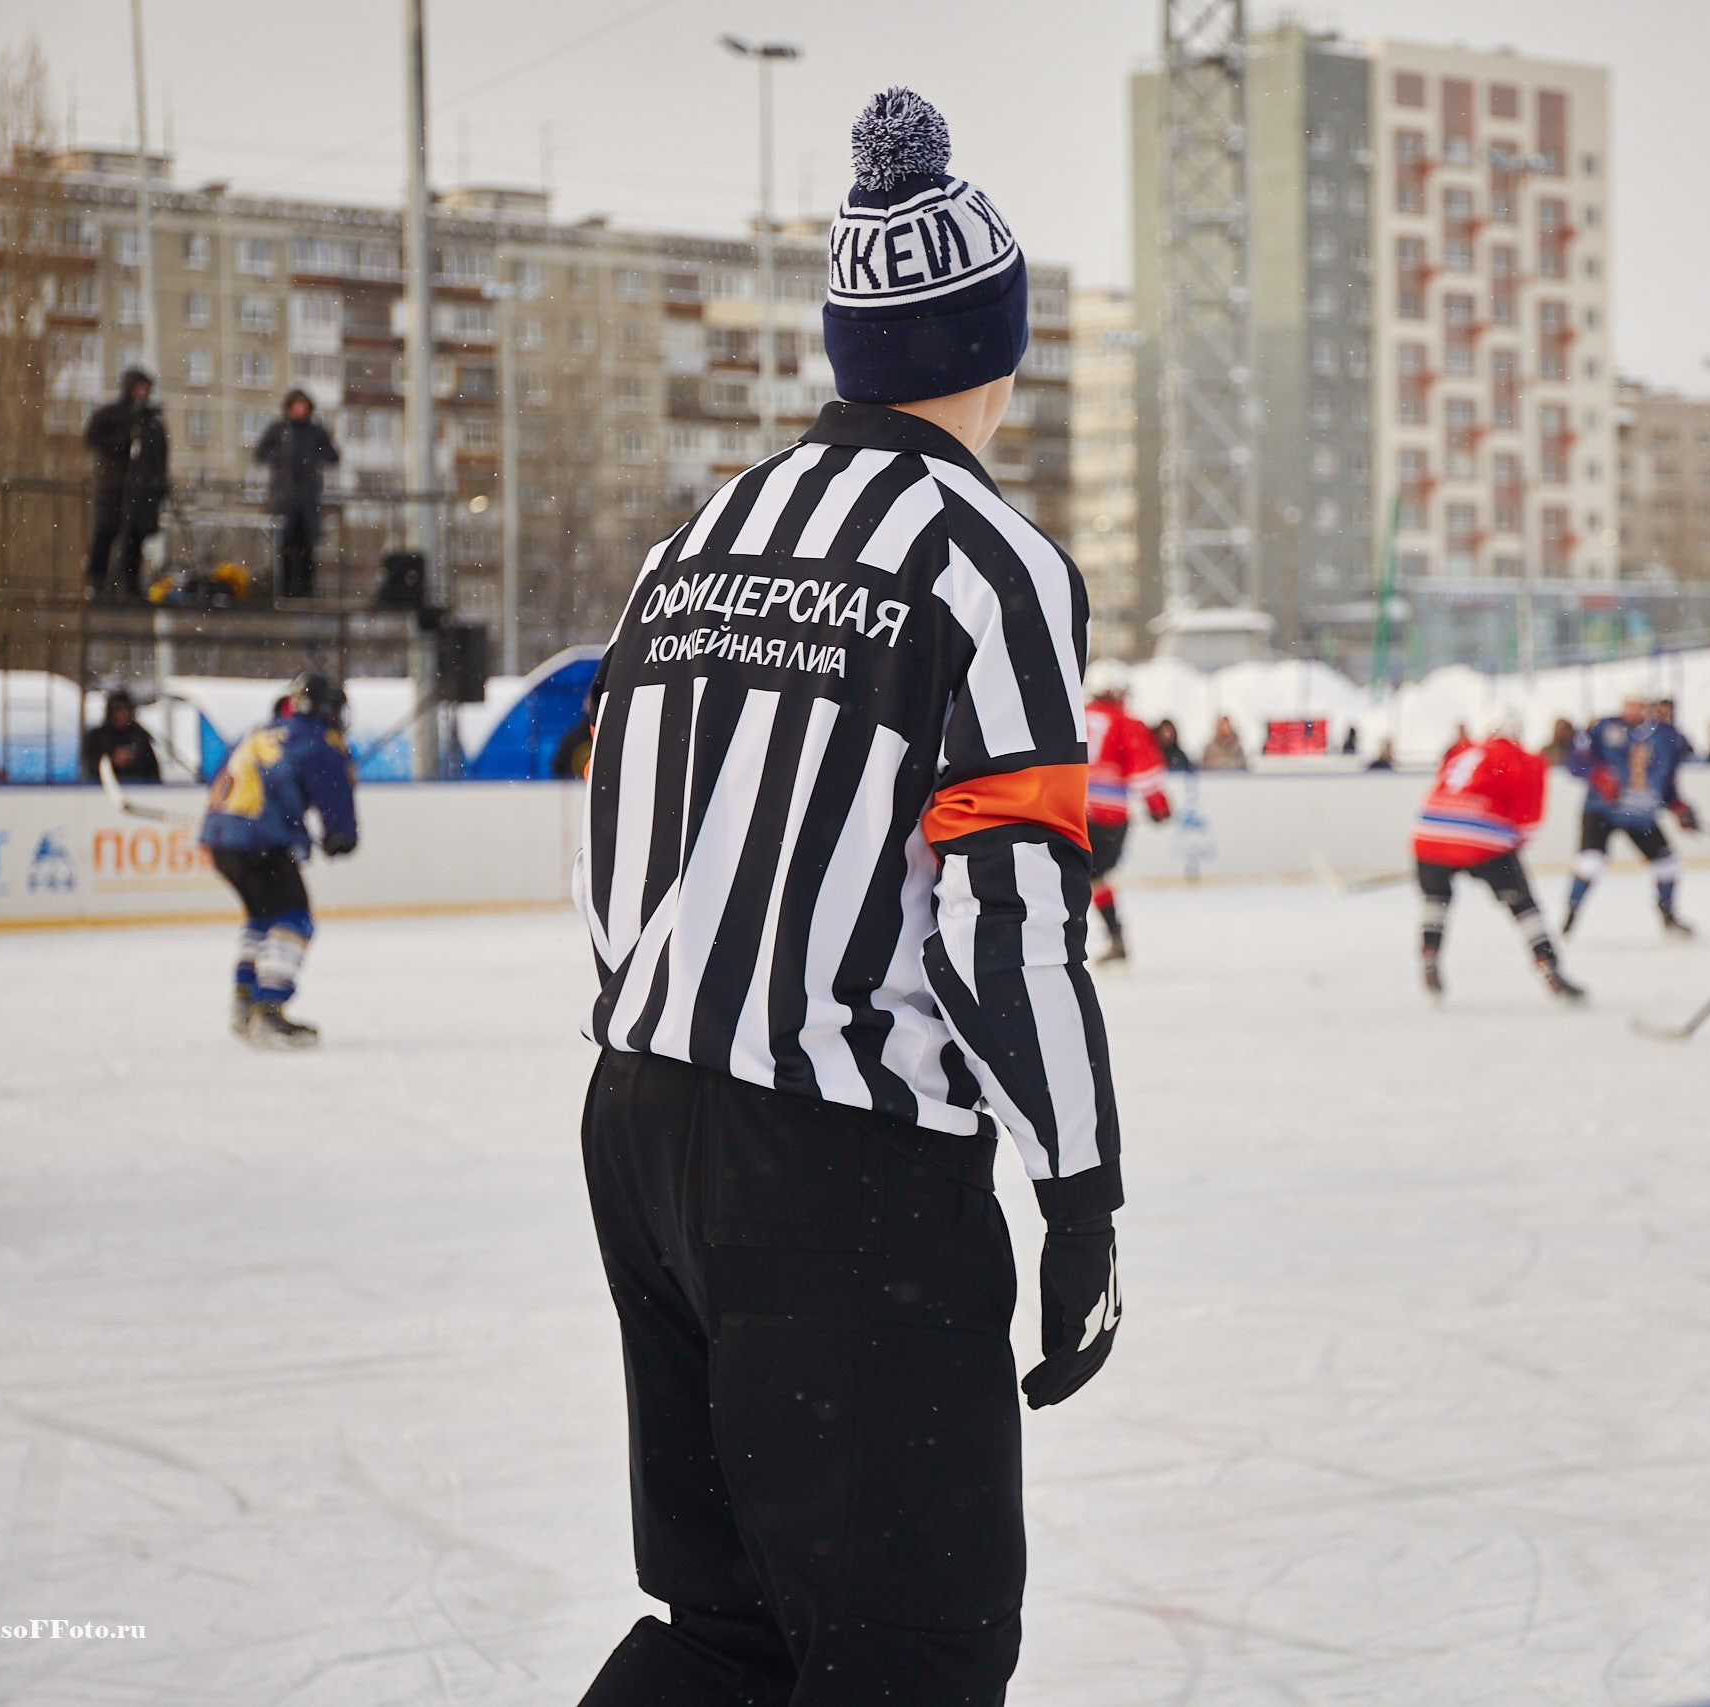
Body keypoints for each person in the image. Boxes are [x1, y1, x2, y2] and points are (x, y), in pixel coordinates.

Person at [572, 89, 1122, 1707]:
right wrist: (1081, 1186)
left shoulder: (693, 543)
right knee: (914, 1650)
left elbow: (619, 834)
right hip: (840, 1171)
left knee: (727, 1630)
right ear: (998, 338)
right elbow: (1006, 919)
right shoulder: (988, 563)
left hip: (642, 1121)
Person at [197, 672, 359, 1049]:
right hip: (260, 841)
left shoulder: (259, 731)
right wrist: (340, 833)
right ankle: (267, 1010)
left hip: (222, 841)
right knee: (294, 918)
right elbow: (333, 789)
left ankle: (245, 1000)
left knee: (264, 916)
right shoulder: (315, 740)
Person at [1411, 715, 1582, 1002]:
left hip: (1429, 833)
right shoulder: (1524, 758)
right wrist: (1512, 843)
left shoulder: (1464, 749)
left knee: (1436, 898)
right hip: (1484, 837)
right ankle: (1547, 964)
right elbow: (1528, 818)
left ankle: (1429, 952)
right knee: (1523, 906)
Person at [1562, 694, 1696, 938]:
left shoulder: (1666, 737)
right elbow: (1575, 761)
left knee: (1667, 863)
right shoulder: (1603, 728)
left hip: (1640, 815)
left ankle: (1668, 916)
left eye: (1639, 704)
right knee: (1590, 862)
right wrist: (1597, 774)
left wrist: (1678, 806)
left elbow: (1666, 781)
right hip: (1601, 811)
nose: (1633, 710)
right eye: (1629, 704)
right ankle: (1569, 916)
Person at [1084, 662, 1173, 966]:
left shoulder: (1073, 716)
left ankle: (1063, 939)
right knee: (1097, 877)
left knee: (1073, 876)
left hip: (1069, 812)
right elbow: (1145, 773)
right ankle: (1114, 936)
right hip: (1107, 818)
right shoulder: (1126, 722)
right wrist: (1159, 808)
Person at [84, 367, 170, 600]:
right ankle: (98, 582)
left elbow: (159, 455)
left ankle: (130, 584)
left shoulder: (151, 421)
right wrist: (122, 442)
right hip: (114, 487)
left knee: (135, 538)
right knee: (106, 533)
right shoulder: (112, 415)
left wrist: (159, 484)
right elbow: (94, 439)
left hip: (142, 490)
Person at [253, 389, 341, 599]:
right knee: (285, 547)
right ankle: (285, 590)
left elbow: (333, 456)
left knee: (307, 547)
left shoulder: (315, 432)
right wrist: (280, 457)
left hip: (307, 501)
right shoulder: (280, 430)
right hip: (284, 500)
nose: (300, 410)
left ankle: (305, 591)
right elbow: (260, 453)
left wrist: (313, 457)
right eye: (296, 405)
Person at [79, 689, 162, 784]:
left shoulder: (139, 735)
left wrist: (134, 759)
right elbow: (88, 764)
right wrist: (111, 759)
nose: (123, 714)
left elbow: (152, 770)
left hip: (138, 787)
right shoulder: (97, 737)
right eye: (118, 710)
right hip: (102, 788)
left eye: (126, 710)